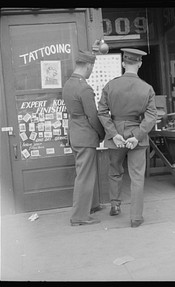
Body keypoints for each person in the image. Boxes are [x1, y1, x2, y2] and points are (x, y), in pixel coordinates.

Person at [98, 48, 157, 228]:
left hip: (115, 135)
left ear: (123, 63)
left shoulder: (110, 85)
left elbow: (101, 112)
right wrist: (137, 136)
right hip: (136, 136)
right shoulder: (147, 88)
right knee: (137, 177)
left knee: (115, 170)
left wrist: (114, 134)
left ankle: (115, 204)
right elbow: (151, 116)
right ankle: (136, 218)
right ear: (139, 63)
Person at [62, 50, 105, 226]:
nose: (92, 71)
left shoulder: (68, 84)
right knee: (84, 176)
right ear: (88, 66)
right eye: (92, 68)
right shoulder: (84, 88)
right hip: (85, 135)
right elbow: (92, 116)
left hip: (75, 134)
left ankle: (91, 206)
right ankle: (79, 216)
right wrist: (102, 133)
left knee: (85, 173)